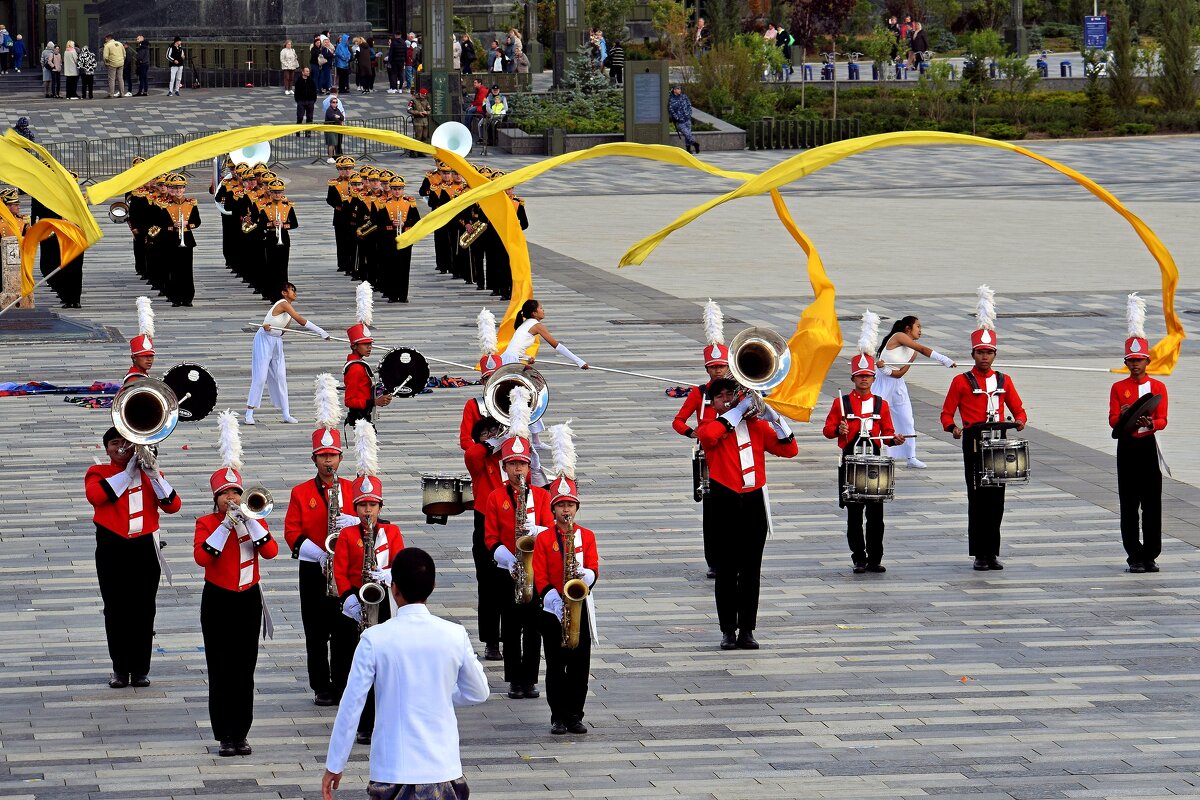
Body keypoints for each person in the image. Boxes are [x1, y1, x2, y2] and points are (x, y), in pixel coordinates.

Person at [321, 548, 489, 800]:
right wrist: (439, 693)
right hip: (443, 768)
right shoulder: (454, 634)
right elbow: (478, 692)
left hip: (392, 770)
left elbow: (351, 705)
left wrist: (335, 764)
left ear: (394, 588)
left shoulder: (374, 638)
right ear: (432, 586)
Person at [193, 418, 278, 757]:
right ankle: (223, 734)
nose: (231, 498)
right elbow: (203, 557)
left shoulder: (254, 519)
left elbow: (270, 552)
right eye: (225, 493)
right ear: (215, 498)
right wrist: (226, 526)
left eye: (235, 493)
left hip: (247, 600)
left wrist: (249, 523)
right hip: (217, 599)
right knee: (221, 667)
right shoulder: (207, 523)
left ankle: (241, 733)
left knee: (245, 668)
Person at [696, 379, 798, 649]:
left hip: (754, 501)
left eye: (732, 394)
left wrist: (775, 417)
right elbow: (707, 438)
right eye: (721, 397)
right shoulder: (711, 425)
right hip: (725, 499)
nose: (727, 399)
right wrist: (738, 410)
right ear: (713, 402)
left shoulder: (757, 427)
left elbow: (790, 449)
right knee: (727, 569)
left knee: (752, 569)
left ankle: (747, 629)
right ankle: (728, 630)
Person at [84, 426, 182, 688]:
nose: (121, 447)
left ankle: (140, 669)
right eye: (115, 443)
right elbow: (95, 496)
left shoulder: (150, 474)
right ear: (107, 449)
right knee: (115, 609)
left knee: (144, 608)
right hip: (112, 546)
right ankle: (119, 668)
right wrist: (127, 474)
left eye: (125, 442)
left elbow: (173, 505)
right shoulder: (99, 472)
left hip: (144, 548)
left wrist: (154, 474)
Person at [939, 286, 1027, 571]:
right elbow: (946, 412)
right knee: (977, 498)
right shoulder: (962, 382)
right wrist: (952, 427)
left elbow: (1019, 408)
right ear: (973, 354)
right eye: (980, 353)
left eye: (989, 352)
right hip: (975, 441)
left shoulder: (1005, 379)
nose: (984, 357)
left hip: (999, 441)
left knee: (997, 500)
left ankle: (993, 552)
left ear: (995, 354)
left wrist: (1021, 421)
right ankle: (979, 553)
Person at [331, 444, 406, 745]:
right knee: (358, 668)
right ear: (355, 508)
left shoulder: (393, 532)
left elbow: (400, 562)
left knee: (386, 668)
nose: (367, 511)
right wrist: (348, 598)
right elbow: (339, 570)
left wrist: (390, 575)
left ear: (380, 507)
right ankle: (362, 723)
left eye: (372, 505)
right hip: (356, 605)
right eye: (362, 506)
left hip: (384, 603)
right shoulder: (348, 535)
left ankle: (383, 721)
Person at [284, 416, 358, 707]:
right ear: (314, 459)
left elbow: (372, 523)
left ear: (340, 457)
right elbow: (292, 534)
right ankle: (321, 686)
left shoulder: (354, 489)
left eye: (333, 456)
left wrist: (354, 521)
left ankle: (342, 682)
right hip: (315, 568)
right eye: (323, 456)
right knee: (315, 631)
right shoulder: (301, 492)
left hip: (347, 570)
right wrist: (322, 554)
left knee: (345, 629)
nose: (328, 461)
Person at [823, 318, 904, 573]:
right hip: (851, 459)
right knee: (854, 514)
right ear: (853, 378)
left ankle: (875, 558)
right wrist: (840, 429)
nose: (865, 380)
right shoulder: (842, 403)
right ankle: (858, 557)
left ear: (873, 377)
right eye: (860, 377)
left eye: (868, 376)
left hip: (875, 461)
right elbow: (827, 430)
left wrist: (896, 439)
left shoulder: (881, 404)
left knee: (876, 515)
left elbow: (888, 433)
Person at [533, 423, 599, 735]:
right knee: (556, 664)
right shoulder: (545, 539)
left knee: (580, 663)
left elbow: (594, 566)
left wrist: (589, 576)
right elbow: (540, 573)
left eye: (570, 505)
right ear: (553, 510)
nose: (565, 510)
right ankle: (558, 715)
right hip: (552, 607)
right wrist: (551, 595)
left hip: (580, 604)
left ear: (576, 507)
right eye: (560, 506)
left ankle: (576, 714)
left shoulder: (586, 535)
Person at [484, 424, 553, 700]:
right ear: (505, 467)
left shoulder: (542, 496)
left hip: (536, 569)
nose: (518, 470)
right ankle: (514, 680)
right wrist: (511, 559)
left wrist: (535, 531)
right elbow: (490, 538)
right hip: (508, 569)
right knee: (511, 628)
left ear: (529, 466)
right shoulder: (495, 497)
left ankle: (531, 679)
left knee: (534, 628)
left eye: (522, 464)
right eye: (512, 464)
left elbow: (550, 530)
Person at [1109, 293, 1169, 573]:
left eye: (1140, 360)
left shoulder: (1158, 387)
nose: (1135, 365)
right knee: (1129, 504)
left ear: (1147, 361)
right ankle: (1133, 554)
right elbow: (1112, 420)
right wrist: (1123, 416)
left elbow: (1163, 419)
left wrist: (1151, 423)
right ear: (1126, 361)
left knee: (1152, 504)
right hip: (1127, 448)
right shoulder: (1118, 388)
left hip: (1148, 447)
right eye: (1131, 360)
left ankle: (1151, 554)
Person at [672, 301, 730, 578]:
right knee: (712, 514)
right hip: (708, 455)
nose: (717, 371)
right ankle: (714, 561)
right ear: (707, 370)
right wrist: (693, 433)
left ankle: (733, 558)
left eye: (721, 367)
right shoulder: (699, 393)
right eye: (713, 367)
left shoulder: (738, 393)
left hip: (732, 456)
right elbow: (678, 421)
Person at [873, 315, 956, 468]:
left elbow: (900, 373)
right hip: (881, 383)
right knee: (875, 417)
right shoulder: (899, 336)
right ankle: (873, 452)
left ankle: (911, 456)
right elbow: (923, 349)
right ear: (907, 328)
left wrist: (887, 370)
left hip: (897, 384)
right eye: (918, 326)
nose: (920, 330)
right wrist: (944, 359)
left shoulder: (913, 353)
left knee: (907, 419)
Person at [246, 283, 327, 425]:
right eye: (292, 290)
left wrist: (272, 328)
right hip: (264, 340)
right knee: (260, 377)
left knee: (281, 376)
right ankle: (249, 413)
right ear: (284, 293)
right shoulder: (283, 304)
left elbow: (282, 331)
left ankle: (286, 413)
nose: (295, 293)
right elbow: (302, 321)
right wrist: (321, 332)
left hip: (276, 341)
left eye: (295, 290)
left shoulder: (288, 312)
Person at [29, 175, 84, 307]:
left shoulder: (79, 200)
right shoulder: (56, 198)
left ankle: (76, 299)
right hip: (61, 236)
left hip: (76, 237)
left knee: (76, 270)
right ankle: (66, 298)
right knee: (63, 268)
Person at [502, 299, 589, 368]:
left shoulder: (526, 323)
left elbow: (516, 348)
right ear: (534, 313)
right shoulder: (536, 325)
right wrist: (579, 361)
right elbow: (557, 346)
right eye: (540, 308)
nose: (543, 310)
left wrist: (527, 357)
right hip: (510, 361)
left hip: (508, 358)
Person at [156, 173, 201, 306]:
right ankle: (175, 297)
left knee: (187, 270)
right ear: (169, 189)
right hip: (171, 240)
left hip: (186, 239)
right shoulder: (164, 204)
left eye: (180, 188)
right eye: (175, 189)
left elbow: (197, 221)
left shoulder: (191, 204)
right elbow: (159, 223)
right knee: (173, 270)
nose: (178, 191)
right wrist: (172, 226)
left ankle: (188, 298)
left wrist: (188, 223)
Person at [344, 323, 392, 427]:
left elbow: (363, 389)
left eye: (370, 344)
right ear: (354, 346)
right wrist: (375, 401)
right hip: (360, 419)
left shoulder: (360, 363)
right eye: (365, 344)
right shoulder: (355, 368)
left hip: (365, 415)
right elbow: (349, 401)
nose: (369, 347)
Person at [258, 178, 299, 301]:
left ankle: (284, 294)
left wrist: (283, 225)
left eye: (279, 192)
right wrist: (271, 224)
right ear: (270, 192)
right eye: (275, 192)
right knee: (271, 267)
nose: (277, 195)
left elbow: (295, 224)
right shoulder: (265, 207)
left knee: (283, 267)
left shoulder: (288, 207)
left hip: (284, 238)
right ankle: (272, 294)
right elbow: (260, 225)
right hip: (271, 238)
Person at [669, 84, 699, 154]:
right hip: (680, 122)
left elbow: (689, 105)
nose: (680, 90)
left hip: (687, 119)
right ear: (674, 90)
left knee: (687, 134)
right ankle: (695, 143)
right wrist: (677, 118)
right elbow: (671, 111)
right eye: (678, 89)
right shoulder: (671, 99)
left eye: (680, 88)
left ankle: (688, 149)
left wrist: (689, 114)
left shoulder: (684, 97)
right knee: (687, 133)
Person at [294, 65, 317, 129]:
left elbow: (314, 91)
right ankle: (297, 130)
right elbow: (296, 92)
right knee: (300, 116)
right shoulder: (299, 81)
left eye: (308, 71)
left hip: (310, 101)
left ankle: (308, 132)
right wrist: (298, 100)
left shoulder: (311, 81)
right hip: (301, 101)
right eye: (306, 71)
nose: (308, 72)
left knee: (309, 117)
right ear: (303, 72)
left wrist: (313, 100)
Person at [324, 96, 345, 164]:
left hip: (336, 129)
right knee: (331, 143)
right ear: (330, 103)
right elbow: (333, 118)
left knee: (336, 143)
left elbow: (342, 117)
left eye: (336, 102)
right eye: (333, 102)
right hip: (330, 129)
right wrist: (339, 119)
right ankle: (330, 157)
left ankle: (336, 156)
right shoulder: (329, 110)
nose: (335, 103)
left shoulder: (337, 110)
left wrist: (339, 117)